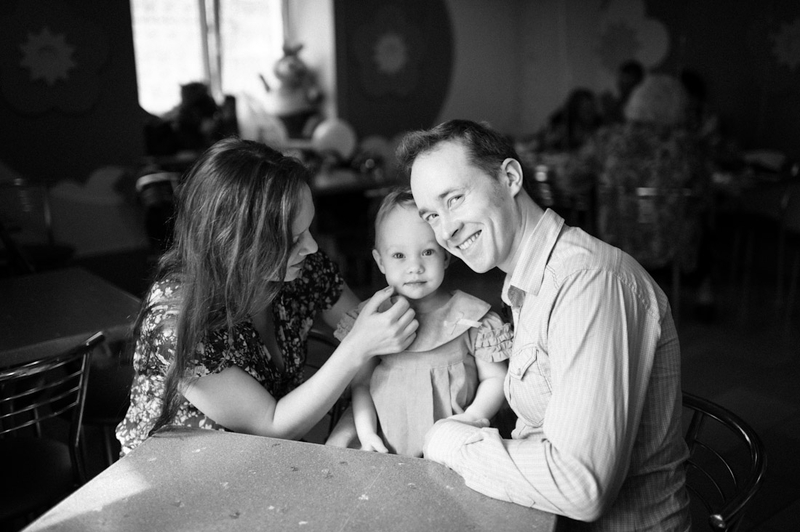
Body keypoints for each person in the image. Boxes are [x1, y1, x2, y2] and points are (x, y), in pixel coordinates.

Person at [399, 119, 691, 530]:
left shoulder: (588, 282)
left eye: (456, 199)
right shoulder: (527, 281)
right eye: (431, 215)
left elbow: (581, 487)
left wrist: (449, 441)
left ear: (510, 178)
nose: (446, 230)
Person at [115, 138, 418, 455]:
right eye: (294, 238)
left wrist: (346, 430)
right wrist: (356, 347)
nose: (312, 246)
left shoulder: (302, 268)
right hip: (174, 471)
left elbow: (380, 340)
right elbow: (272, 425)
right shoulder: (176, 322)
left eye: (309, 229)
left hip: (266, 457)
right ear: (235, 243)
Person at [332, 188, 511, 457]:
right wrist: (367, 434)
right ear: (380, 261)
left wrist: (472, 417)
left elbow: (495, 378)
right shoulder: (373, 320)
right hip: (383, 448)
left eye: (427, 252)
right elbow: (361, 385)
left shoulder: (472, 318)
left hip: (456, 448)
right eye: (399, 256)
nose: (414, 266)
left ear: (445, 256)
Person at [569, 73, 714, 317]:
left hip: (615, 239)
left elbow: (571, 176)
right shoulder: (686, 146)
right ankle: (704, 293)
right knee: (704, 223)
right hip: (669, 244)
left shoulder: (607, 139)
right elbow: (704, 194)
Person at [600, 59, 645, 125]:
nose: (620, 83)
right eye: (621, 78)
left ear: (637, 82)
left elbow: (631, 124)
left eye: (627, 79)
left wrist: (612, 110)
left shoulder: (642, 104)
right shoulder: (617, 101)